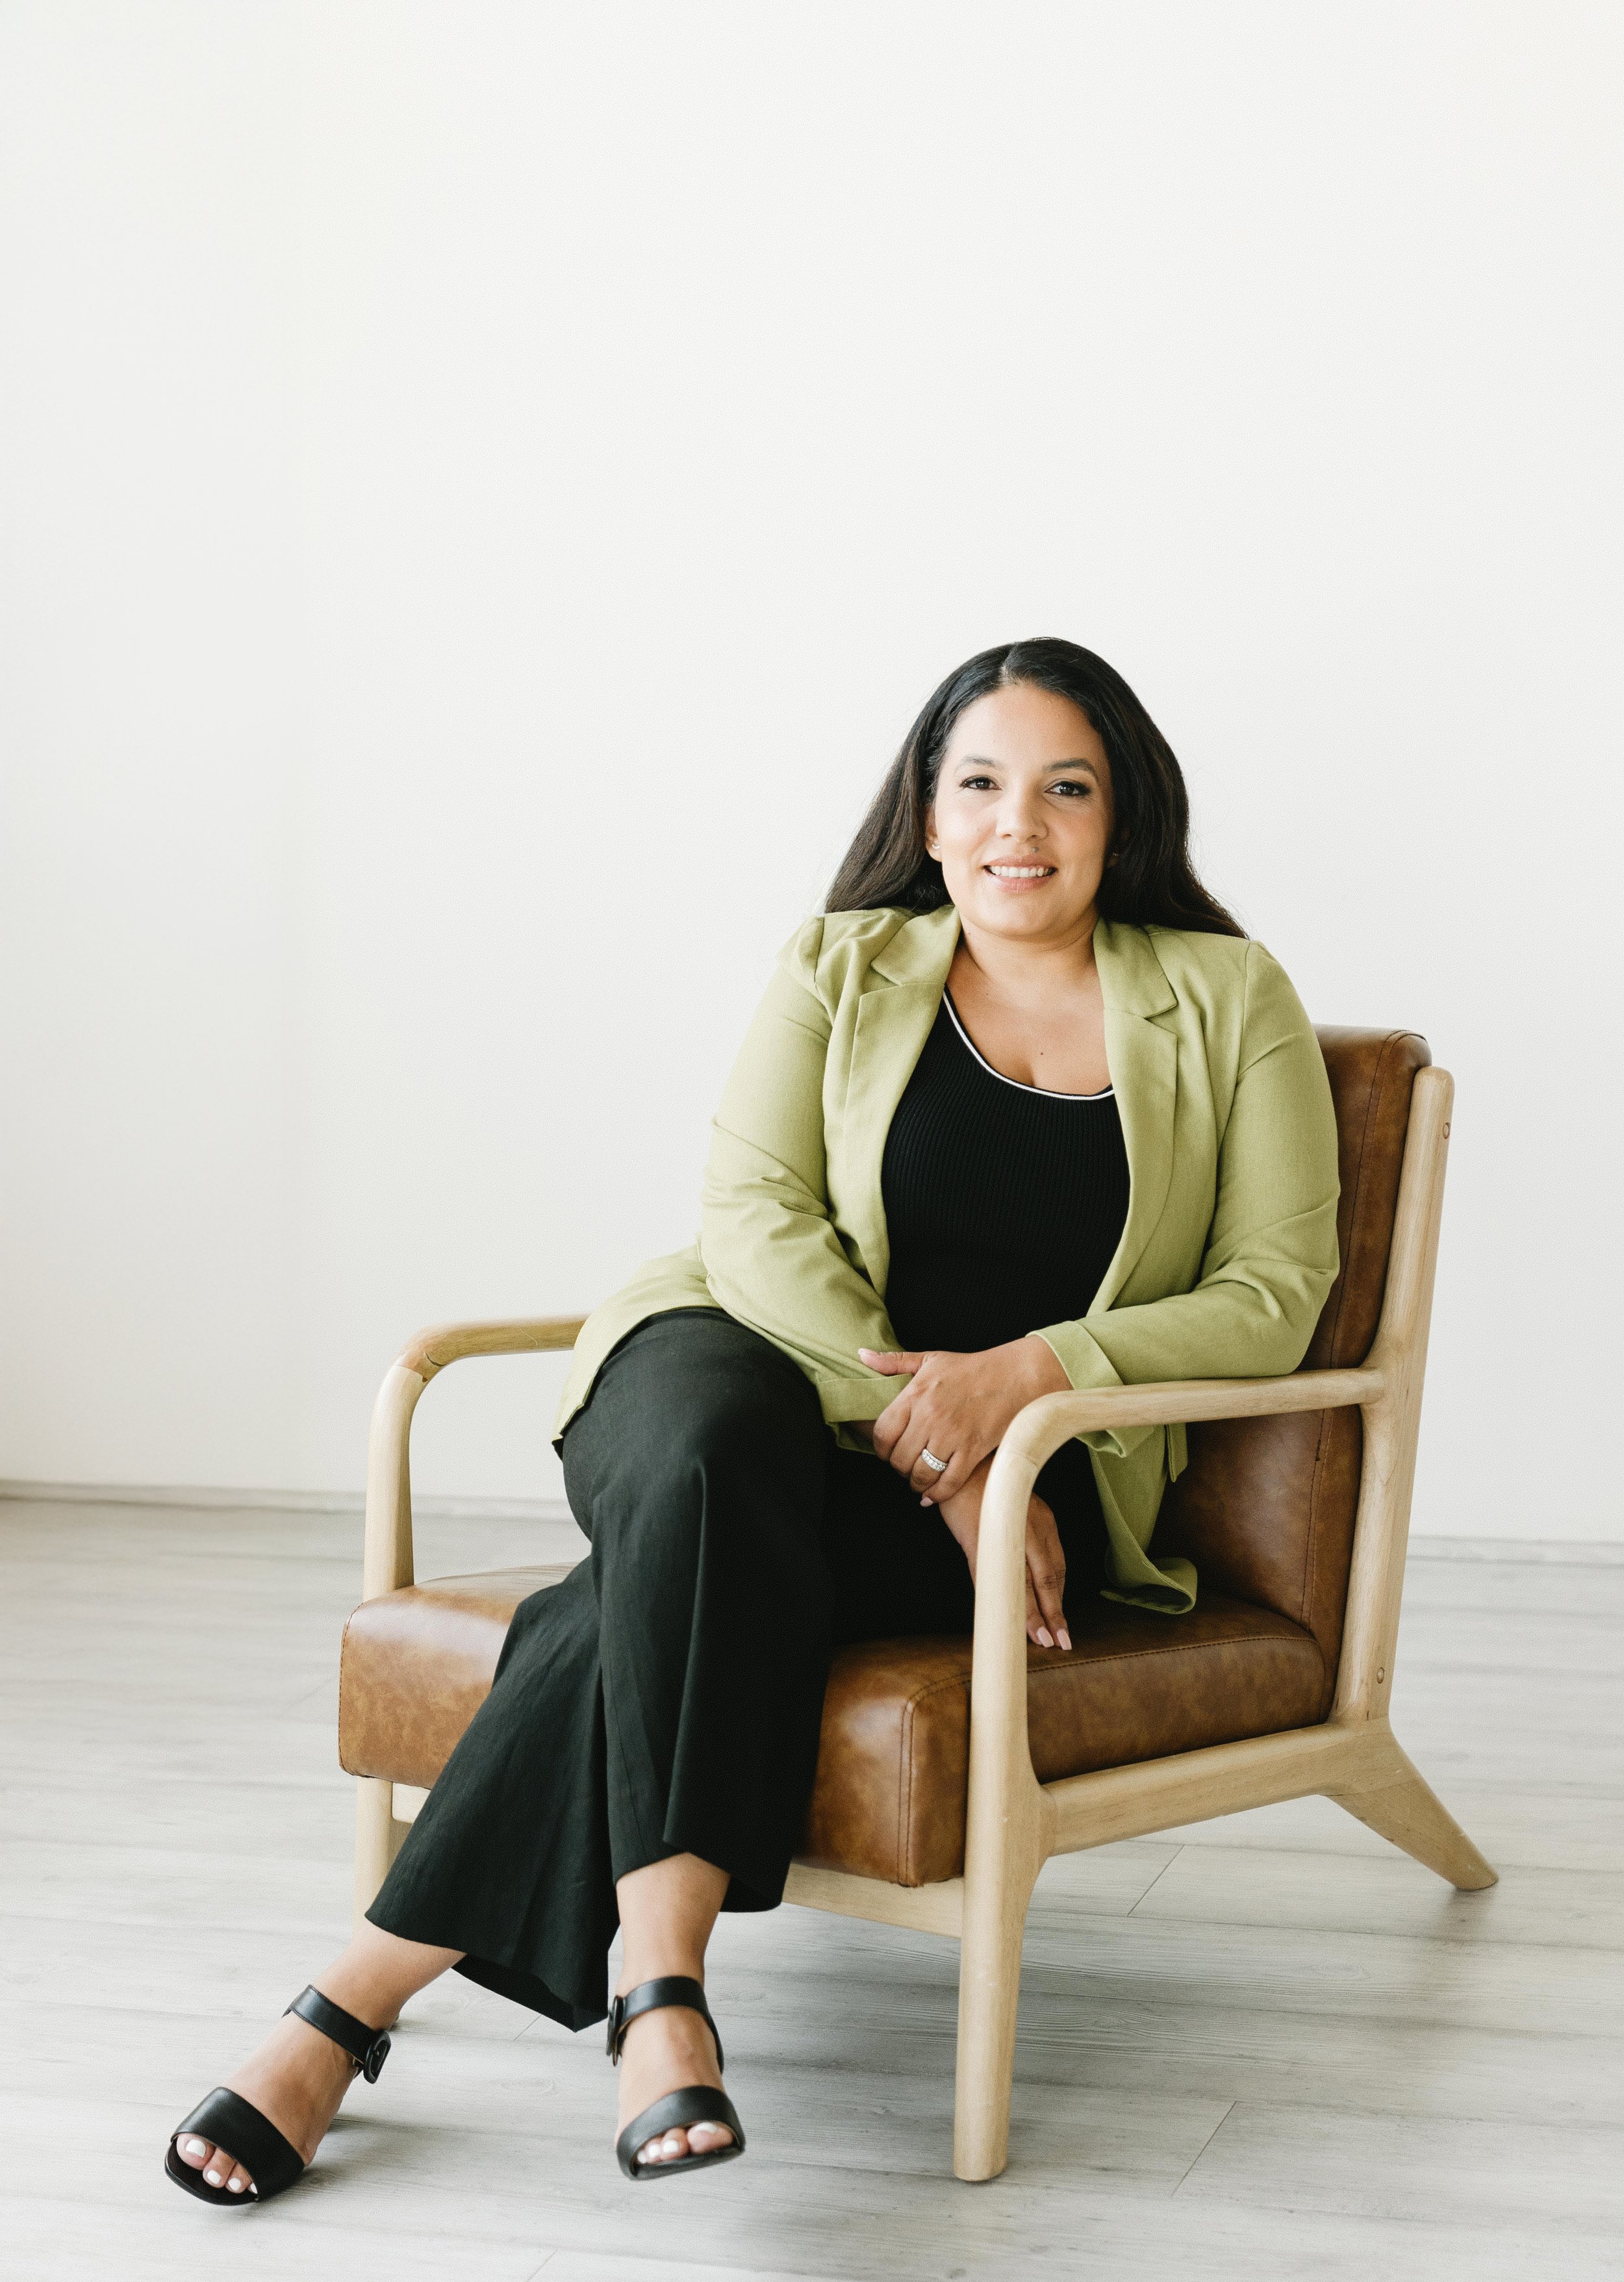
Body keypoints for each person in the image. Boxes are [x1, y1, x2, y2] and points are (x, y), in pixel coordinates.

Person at [166, 636, 1340, 2202]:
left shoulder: (1223, 997)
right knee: (712, 1462)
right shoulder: (838, 965)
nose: (1017, 824)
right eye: (978, 785)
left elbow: (1275, 1290)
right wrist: (940, 1443)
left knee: (650, 1590)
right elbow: (752, 1221)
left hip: (1015, 1477)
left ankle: (354, 2008)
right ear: (926, 818)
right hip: (726, 1363)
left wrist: (1022, 1383)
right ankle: (659, 1986)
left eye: (1065, 788)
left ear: (1118, 818)